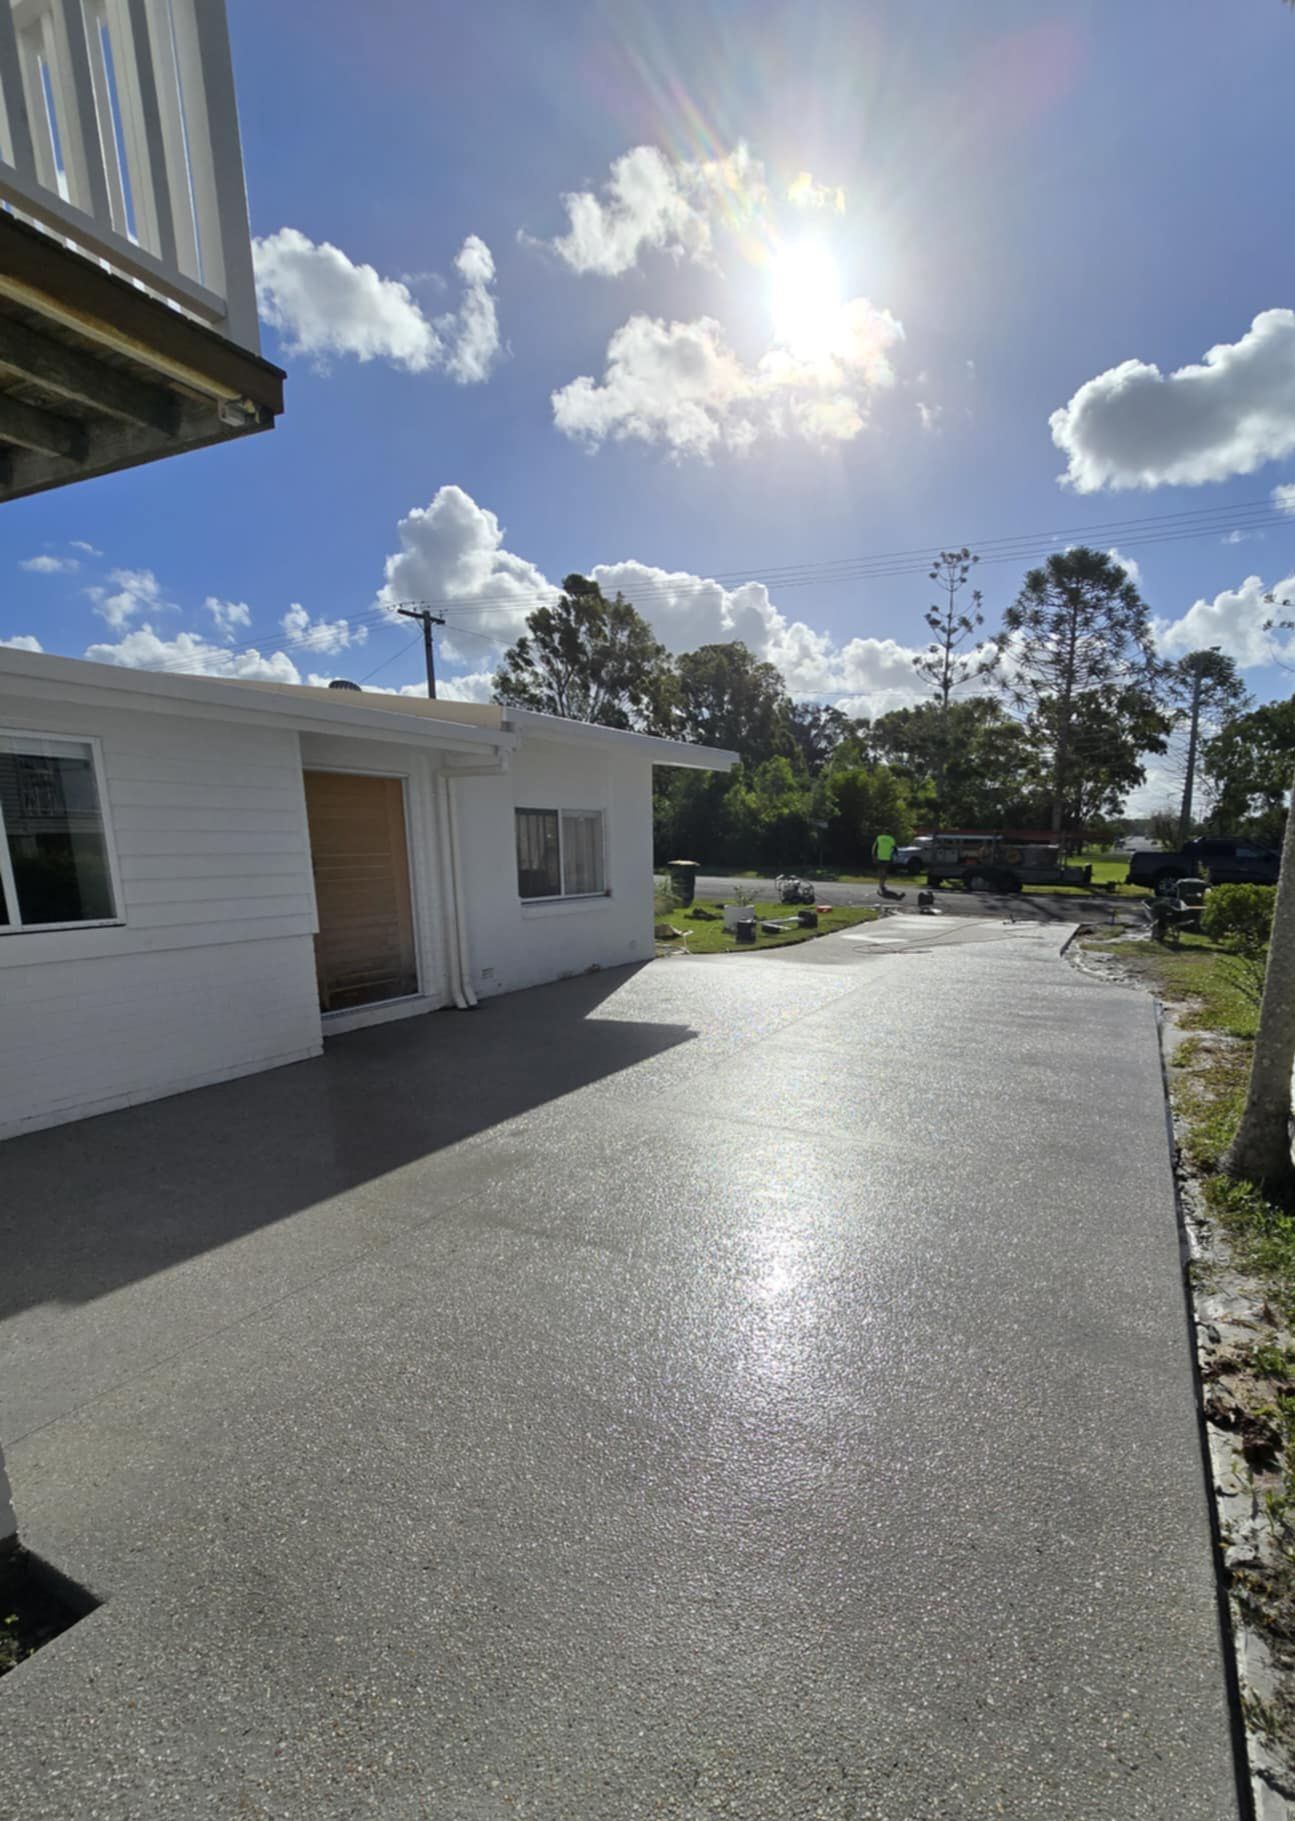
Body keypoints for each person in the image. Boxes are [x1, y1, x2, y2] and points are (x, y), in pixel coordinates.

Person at [872, 831, 904, 900]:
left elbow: (874, 848)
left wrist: (874, 856)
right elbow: (895, 849)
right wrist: (897, 856)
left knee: (880, 871)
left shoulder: (879, 838)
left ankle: (881, 885)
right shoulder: (891, 839)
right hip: (887, 858)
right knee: (884, 871)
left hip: (879, 857)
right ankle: (882, 885)